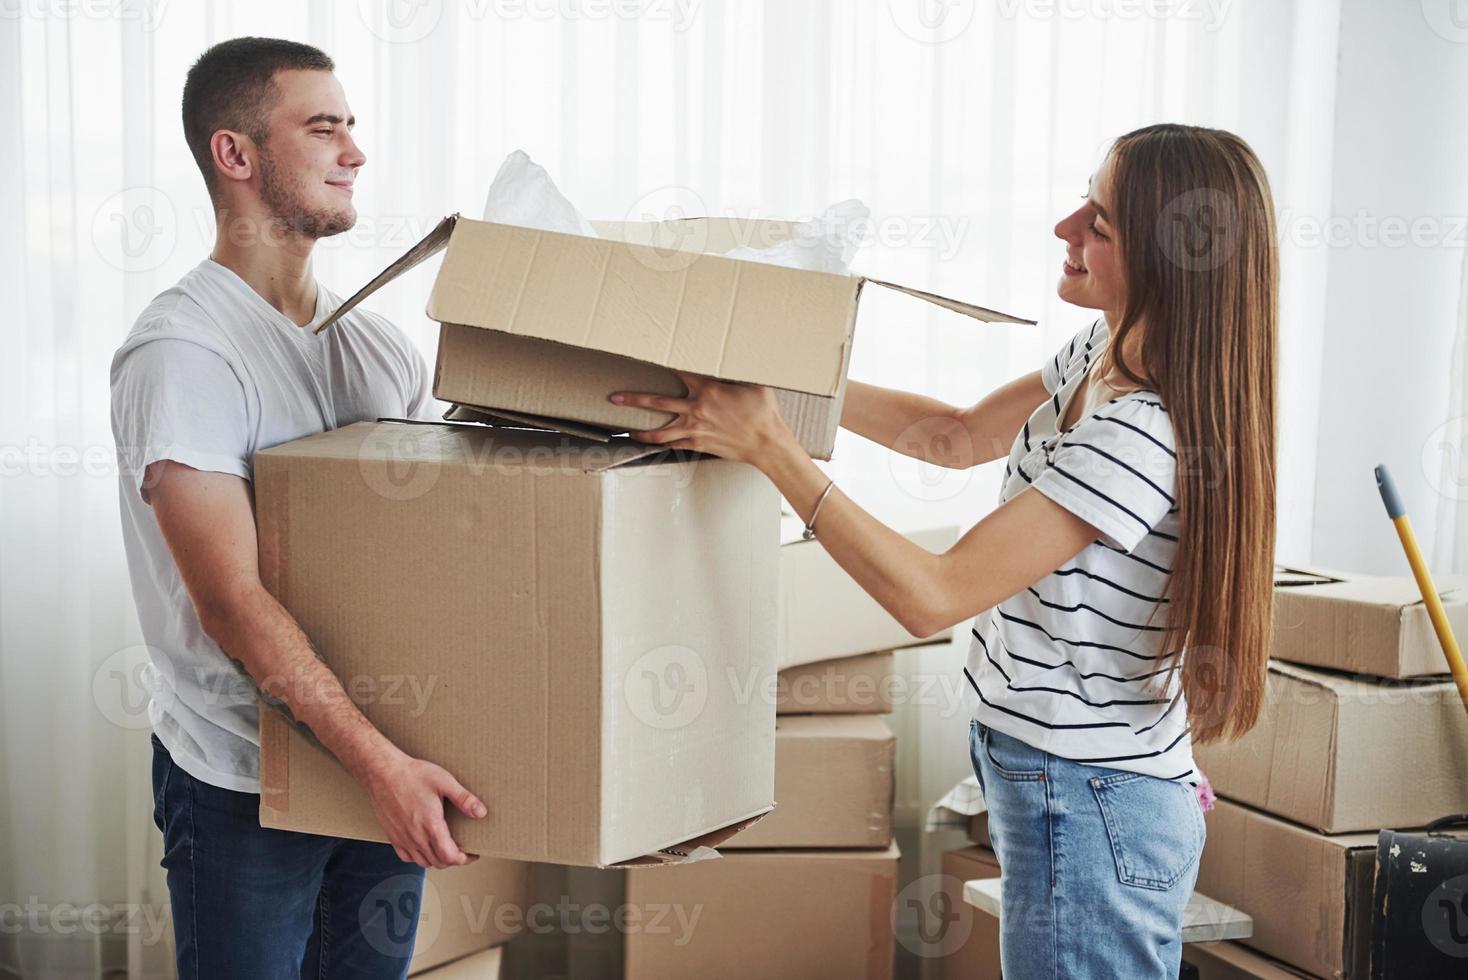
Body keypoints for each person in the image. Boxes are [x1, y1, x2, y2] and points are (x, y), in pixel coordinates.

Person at [610, 122, 1277, 979]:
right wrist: (781, 377)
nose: (1065, 227)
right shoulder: (1101, 354)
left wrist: (771, 446)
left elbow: (933, 593)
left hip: (1090, 797)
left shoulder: (1142, 434)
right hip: (1056, 776)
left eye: (1099, 223)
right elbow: (954, 437)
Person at [110, 37, 481, 979]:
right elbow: (230, 602)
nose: (355, 152)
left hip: (379, 756)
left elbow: (445, 544)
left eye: (352, 127)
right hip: (246, 781)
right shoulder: (185, 353)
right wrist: (379, 767)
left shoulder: (380, 350)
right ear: (235, 155)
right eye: (323, 128)